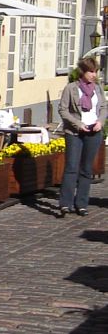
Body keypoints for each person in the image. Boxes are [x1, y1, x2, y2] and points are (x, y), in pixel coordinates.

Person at [57, 57, 107, 217]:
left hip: (94, 131)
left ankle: (82, 203)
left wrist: (100, 121)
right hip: (75, 132)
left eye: (95, 71)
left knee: (86, 169)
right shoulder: (71, 88)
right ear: (83, 72)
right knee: (71, 167)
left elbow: (104, 107)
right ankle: (65, 203)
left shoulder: (97, 88)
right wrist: (77, 124)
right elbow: (63, 110)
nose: (94, 75)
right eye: (91, 71)